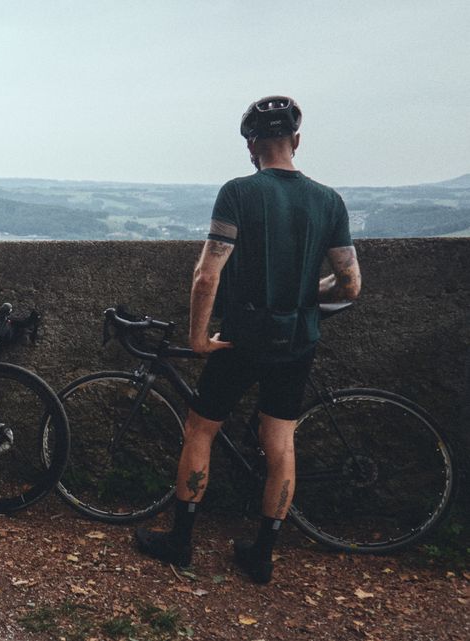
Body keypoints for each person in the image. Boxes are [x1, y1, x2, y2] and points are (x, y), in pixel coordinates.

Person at [134, 96, 362, 583]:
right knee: (280, 441)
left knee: (201, 429)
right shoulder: (330, 201)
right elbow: (350, 285)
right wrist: (304, 293)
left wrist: (199, 337)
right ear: (296, 142)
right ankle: (261, 555)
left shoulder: (238, 192)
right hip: (298, 339)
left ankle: (180, 541)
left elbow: (205, 275)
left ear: (250, 146)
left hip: (241, 338)